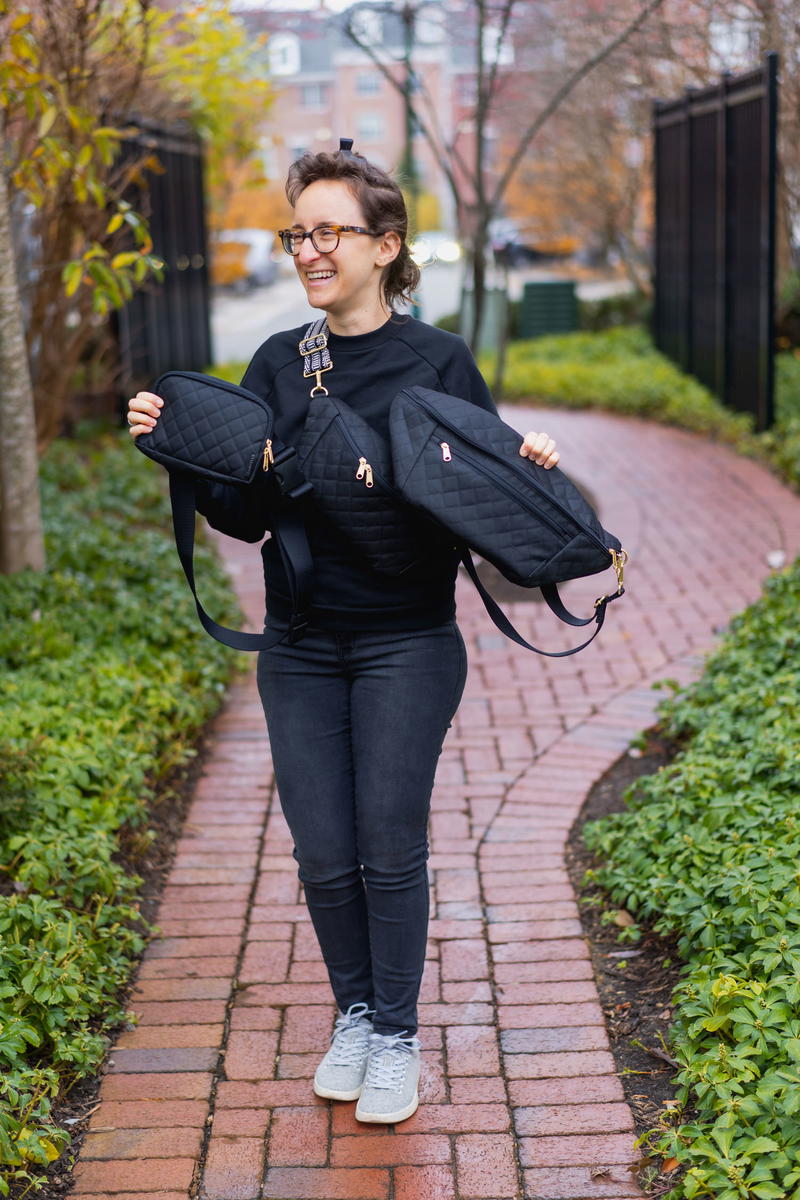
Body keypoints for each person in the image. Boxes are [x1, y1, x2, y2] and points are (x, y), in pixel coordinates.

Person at [127, 143, 559, 1125]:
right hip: (300, 643)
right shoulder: (280, 362)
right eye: (299, 233)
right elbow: (245, 516)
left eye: (328, 231)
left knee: (384, 844)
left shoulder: (436, 359)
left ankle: (397, 1036)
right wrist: (182, 451)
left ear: (384, 245)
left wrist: (527, 468)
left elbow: (481, 507)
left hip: (407, 640)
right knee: (322, 850)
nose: (308, 250)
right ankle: (357, 1015)